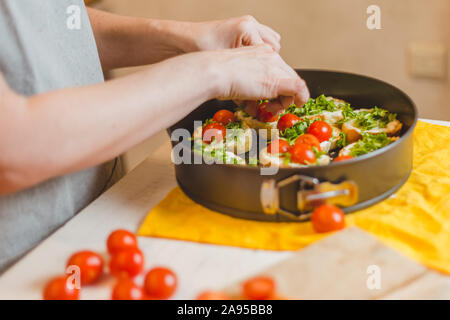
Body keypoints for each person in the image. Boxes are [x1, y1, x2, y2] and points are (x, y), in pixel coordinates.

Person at [0, 1, 309, 272]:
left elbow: (40, 25)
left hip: (103, 219)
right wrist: (211, 72)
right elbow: (12, 149)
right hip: (19, 264)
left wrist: (182, 38)